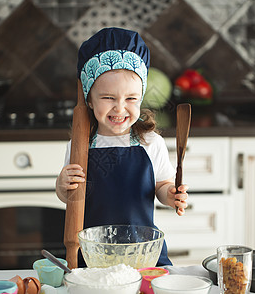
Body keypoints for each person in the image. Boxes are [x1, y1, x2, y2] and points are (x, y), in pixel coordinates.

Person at [55, 27, 189, 266]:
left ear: (141, 97)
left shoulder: (151, 143)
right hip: (94, 255)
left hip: (143, 252)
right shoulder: (79, 145)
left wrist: (170, 194)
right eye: (108, 98)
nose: (119, 108)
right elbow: (69, 197)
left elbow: (162, 184)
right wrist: (62, 185)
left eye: (130, 99)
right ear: (90, 99)